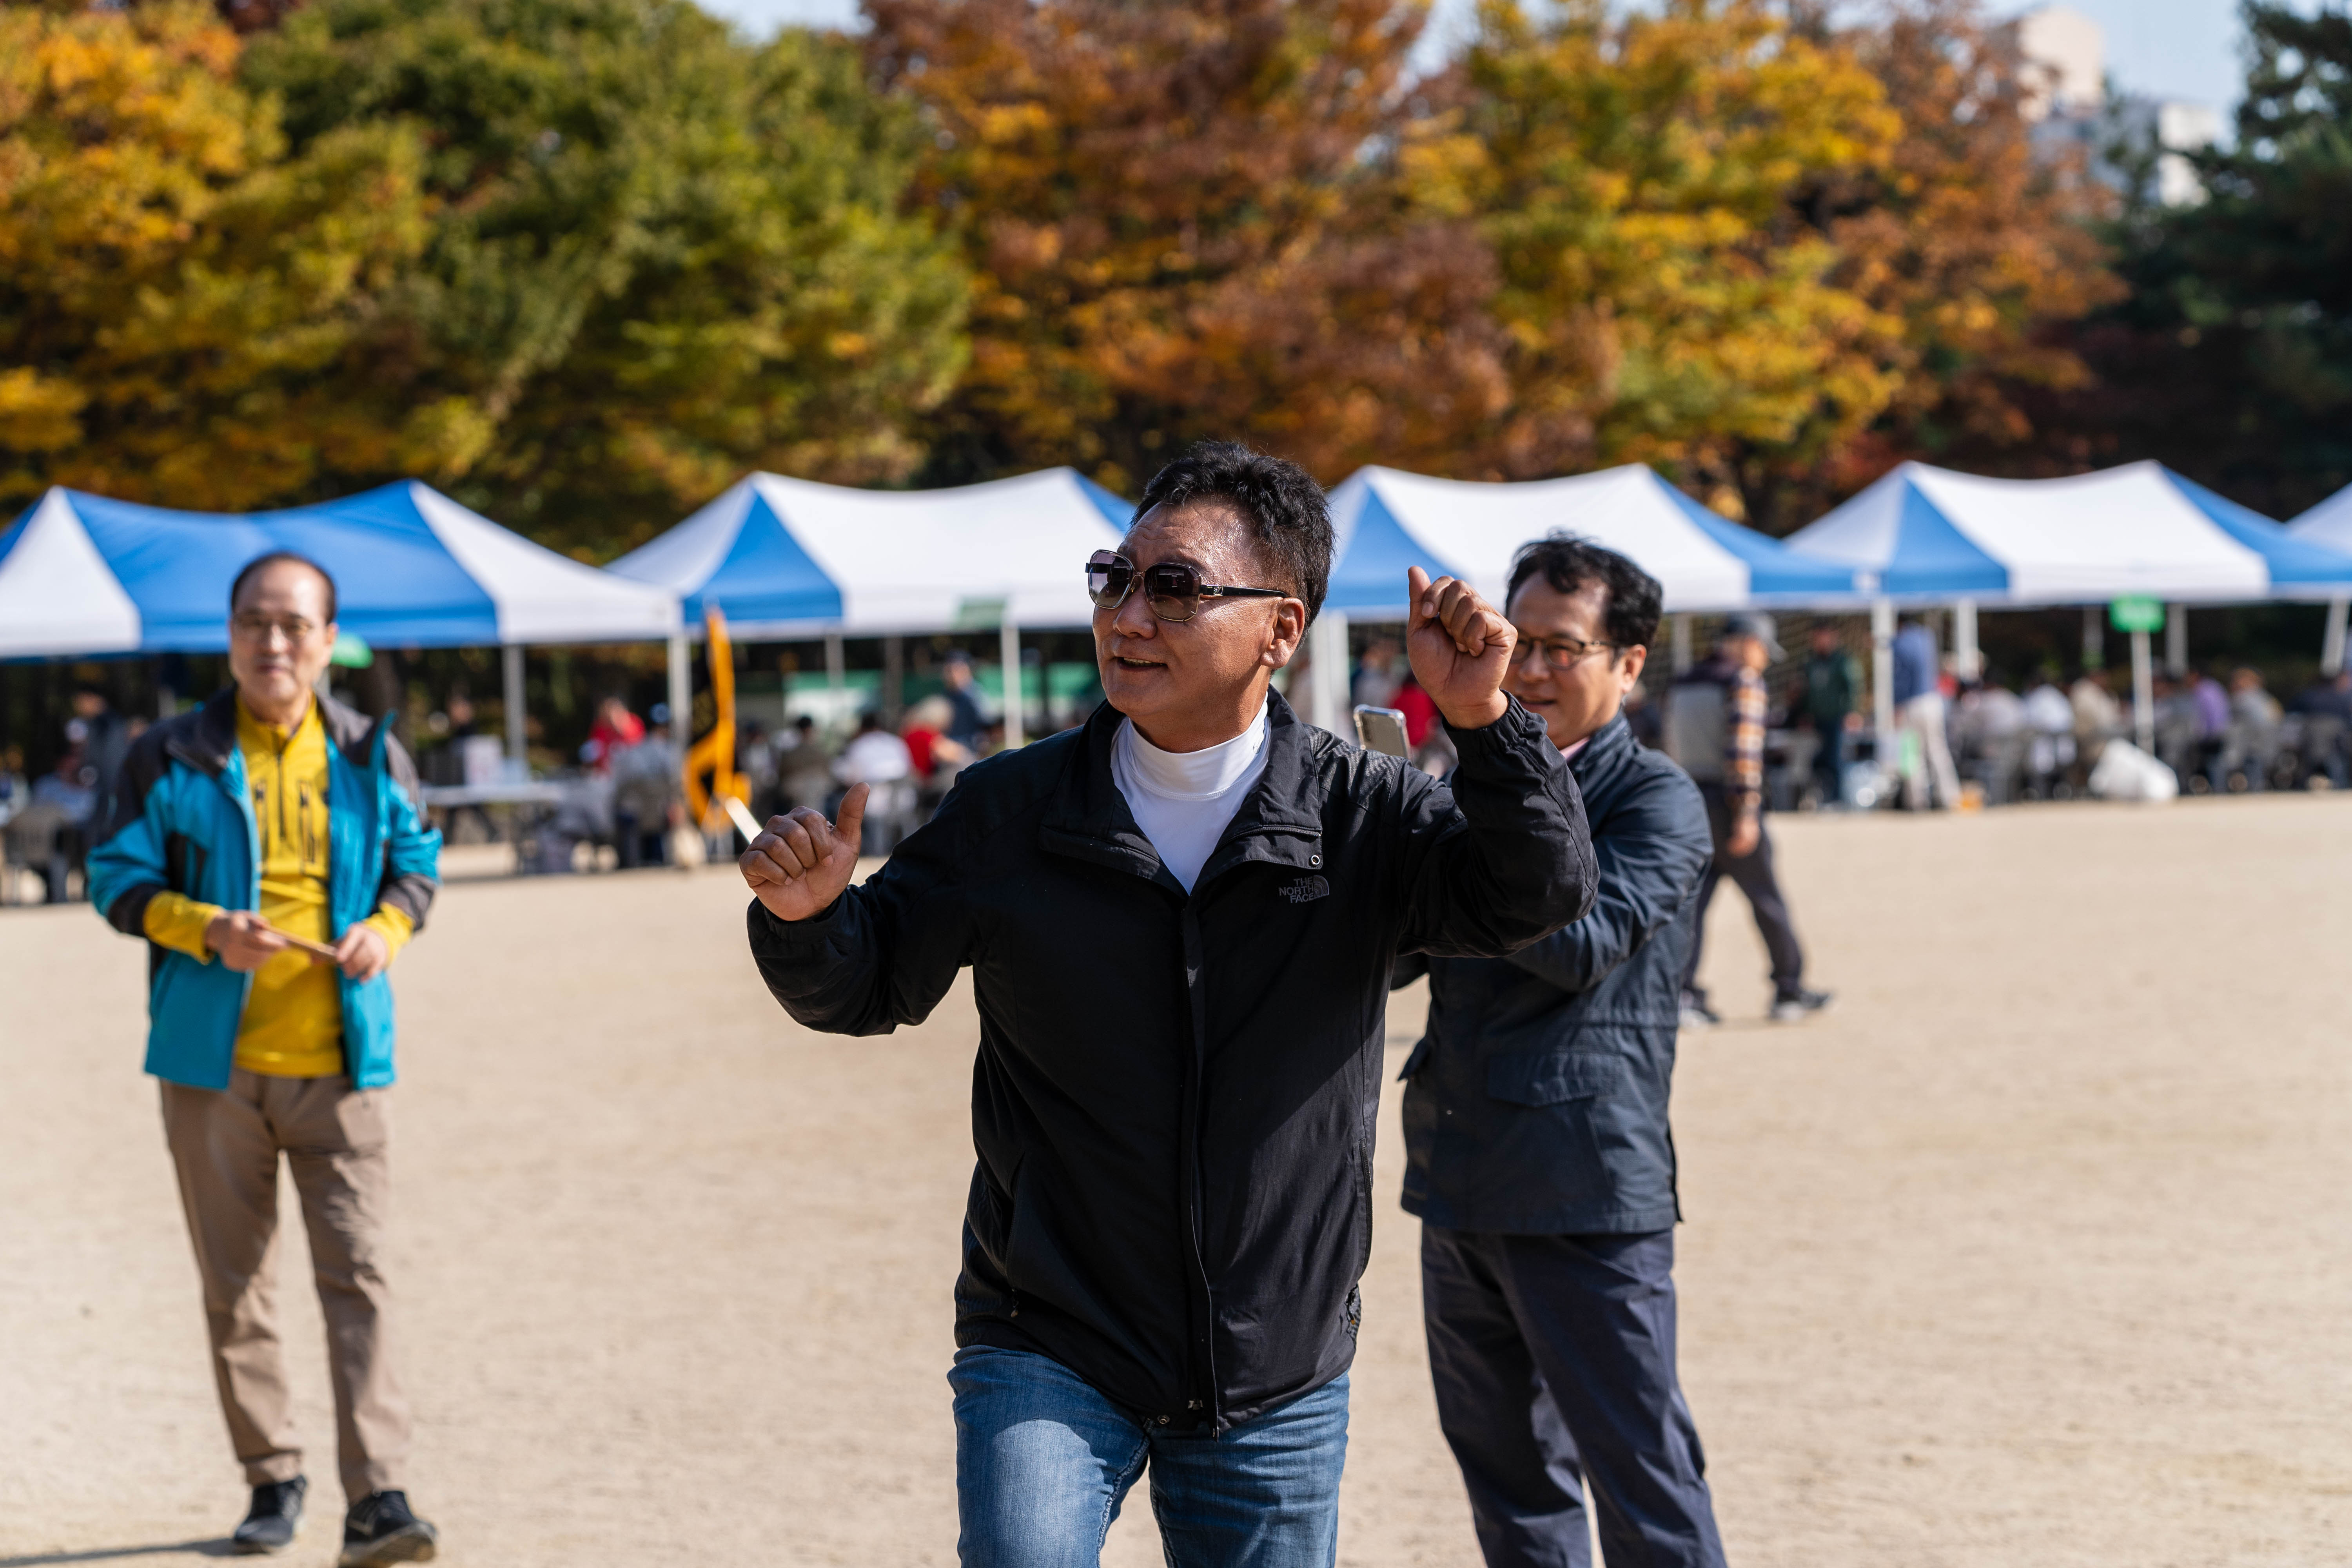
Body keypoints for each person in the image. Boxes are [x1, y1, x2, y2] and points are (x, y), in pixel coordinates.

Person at [738, 440, 1595, 1568]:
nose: (1128, 616)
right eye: (1117, 578)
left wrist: (1485, 719)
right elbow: (868, 983)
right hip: (1047, 1334)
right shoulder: (1008, 809)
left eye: (1176, 587)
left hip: (1274, 1363)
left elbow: (1537, 894)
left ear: (1281, 630)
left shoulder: (1366, 813)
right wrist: (810, 921)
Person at [83, 552, 443, 1565]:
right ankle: (271, 1475)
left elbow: (417, 865)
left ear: (329, 641)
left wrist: (386, 931)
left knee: (359, 1275)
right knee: (235, 1281)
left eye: (294, 624)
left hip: (345, 1063)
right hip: (210, 1070)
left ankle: (379, 1497)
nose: (272, 641)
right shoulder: (167, 754)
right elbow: (112, 876)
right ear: (230, 635)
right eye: (253, 621)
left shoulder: (372, 753)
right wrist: (202, 927)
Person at [1395, 535, 1724, 1568]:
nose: (1531, 670)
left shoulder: (1658, 797)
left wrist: (1480, 806)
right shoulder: (1465, 785)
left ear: (1630, 664)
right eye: (1519, 642)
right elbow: (1397, 955)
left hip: (1585, 1185)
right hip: (1458, 1165)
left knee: (1644, 1478)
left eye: (1562, 648)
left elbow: (1582, 945)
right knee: (1509, 1481)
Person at [1667, 614, 1829, 1027]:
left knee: (1691, 905)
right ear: (1746, 643)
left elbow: (1667, 746)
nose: (1764, 660)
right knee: (1767, 899)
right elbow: (1743, 754)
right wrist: (1746, 814)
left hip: (1688, 801)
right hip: (1729, 803)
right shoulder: (1742, 681)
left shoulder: (1682, 682)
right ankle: (1789, 988)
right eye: (1762, 650)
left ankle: (1683, 994)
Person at [1891, 617, 1959, 810]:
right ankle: (1950, 798)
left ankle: (1916, 801)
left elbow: (1901, 679)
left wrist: (1896, 705)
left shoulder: (1900, 642)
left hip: (1912, 703)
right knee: (1938, 750)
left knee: (1912, 753)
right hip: (1933, 700)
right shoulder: (1927, 637)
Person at [1798, 625, 1862, 806]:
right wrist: (1807, 713)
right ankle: (1817, 797)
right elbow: (1808, 692)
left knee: (1835, 759)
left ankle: (1837, 799)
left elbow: (1853, 688)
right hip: (1817, 720)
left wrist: (1852, 712)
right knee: (1816, 760)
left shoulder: (1843, 662)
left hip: (1836, 719)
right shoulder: (1811, 662)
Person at [612, 708, 684, 868]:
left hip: (638, 815)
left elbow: (624, 785)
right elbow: (676, 783)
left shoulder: (635, 751)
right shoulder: (671, 751)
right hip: (661, 814)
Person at [583, 694, 644, 774]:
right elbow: (593, 753)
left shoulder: (633, 722)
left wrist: (620, 727)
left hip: (633, 768)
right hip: (608, 772)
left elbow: (638, 747)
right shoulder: (599, 728)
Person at [940, 652, 989, 751]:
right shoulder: (947, 695)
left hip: (970, 748)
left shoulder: (975, 695)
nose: (951, 675)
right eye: (948, 671)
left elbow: (987, 725)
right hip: (951, 746)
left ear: (966, 671)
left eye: (955, 670)